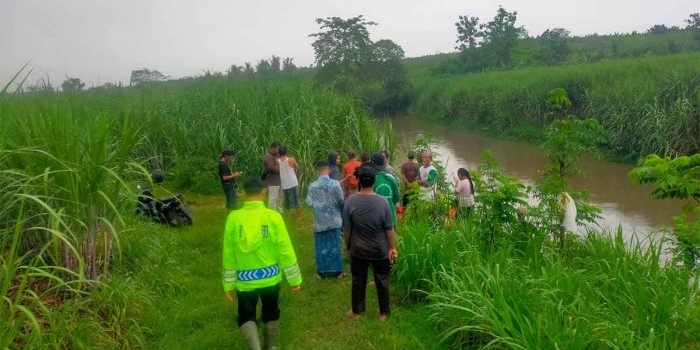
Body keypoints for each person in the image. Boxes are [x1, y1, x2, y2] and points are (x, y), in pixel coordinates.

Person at [222, 176, 302, 350]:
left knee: (246, 315)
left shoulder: (233, 219)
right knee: (271, 311)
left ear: (243, 193)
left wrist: (228, 284)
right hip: (270, 278)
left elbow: (228, 254)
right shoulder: (273, 217)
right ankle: (271, 346)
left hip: (245, 280)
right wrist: (294, 280)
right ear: (264, 192)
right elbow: (285, 249)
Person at [343, 162, 397, 322]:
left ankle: (357, 311)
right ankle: (384, 313)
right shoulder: (383, 202)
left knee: (358, 279)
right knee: (382, 279)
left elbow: (347, 230)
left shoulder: (350, 202)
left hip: (358, 249)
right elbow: (389, 229)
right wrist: (392, 247)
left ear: (358, 181)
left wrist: (348, 245)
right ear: (374, 181)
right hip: (379, 249)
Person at [306, 161, 346, 279]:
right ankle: (338, 271)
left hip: (320, 221)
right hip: (334, 220)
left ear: (318, 171)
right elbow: (341, 200)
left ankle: (321, 272)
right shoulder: (335, 184)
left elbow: (308, 202)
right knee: (335, 245)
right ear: (328, 170)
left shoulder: (312, 186)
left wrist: (318, 206)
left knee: (321, 246)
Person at [371, 153, 401, 227]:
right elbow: (396, 198)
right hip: (390, 216)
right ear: (384, 163)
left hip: (375, 217)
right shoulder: (390, 178)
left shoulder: (371, 179)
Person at [278, 145, 300, 219]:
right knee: (296, 199)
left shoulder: (277, 161)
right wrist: (294, 170)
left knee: (287, 200)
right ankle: (298, 216)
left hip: (284, 183)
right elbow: (297, 167)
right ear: (286, 152)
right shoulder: (291, 159)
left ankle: (288, 217)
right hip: (293, 182)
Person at [263, 142, 283, 211]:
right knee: (273, 197)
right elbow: (271, 167)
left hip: (280, 180)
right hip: (272, 180)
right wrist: (283, 168)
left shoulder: (278, 155)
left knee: (280, 196)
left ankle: (280, 210)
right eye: (278, 149)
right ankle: (272, 211)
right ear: (273, 148)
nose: (278, 150)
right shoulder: (267, 156)